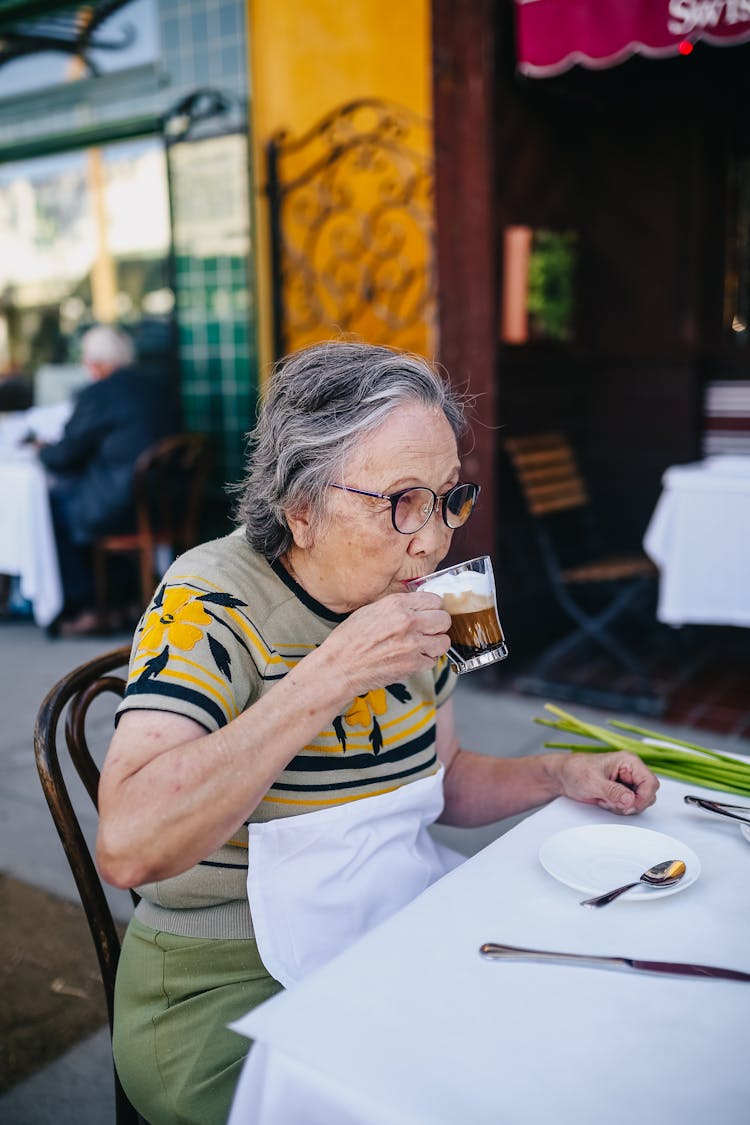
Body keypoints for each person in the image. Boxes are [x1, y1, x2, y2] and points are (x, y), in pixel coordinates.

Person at [96, 341, 659, 1125]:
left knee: (571, 1049)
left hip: (393, 928)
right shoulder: (209, 594)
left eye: (446, 498)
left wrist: (557, 775)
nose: (433, 540)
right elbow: (128, 843)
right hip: (228, 989)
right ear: (301, 506)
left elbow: (443, 776)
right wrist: (331, 673)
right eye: (400, 500)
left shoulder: (438, 596)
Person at [37, 324, 176, 635]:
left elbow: (65, 455)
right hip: (166, 499)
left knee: (50, 509)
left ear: (95, 363)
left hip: (124, 504)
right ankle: (123, 600)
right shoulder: (156, 386)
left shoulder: (97, 394)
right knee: (75, 503)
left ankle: (88, 606)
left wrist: (40, 450)